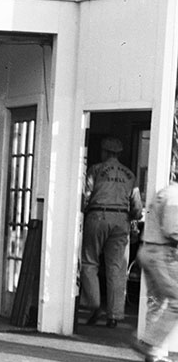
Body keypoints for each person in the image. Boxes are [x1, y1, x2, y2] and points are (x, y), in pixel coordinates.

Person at [79, 136, 142, 328]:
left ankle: (94, 305)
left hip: (97, 216)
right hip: (121, 219)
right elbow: (137, 208)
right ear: (119, 153)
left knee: (90, 262)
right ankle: (114, 315)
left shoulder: (96, 170)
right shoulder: (130, 175)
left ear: (104, 152)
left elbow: (85, 198)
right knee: (116, 267)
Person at [131, 180, 178, 362]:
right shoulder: (175, 197)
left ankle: (153, 353)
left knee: (157, 301)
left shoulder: (164, 192)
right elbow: (173, 230)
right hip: (162, 253)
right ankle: (149, 343)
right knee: (176, 302)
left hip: (148, 249)